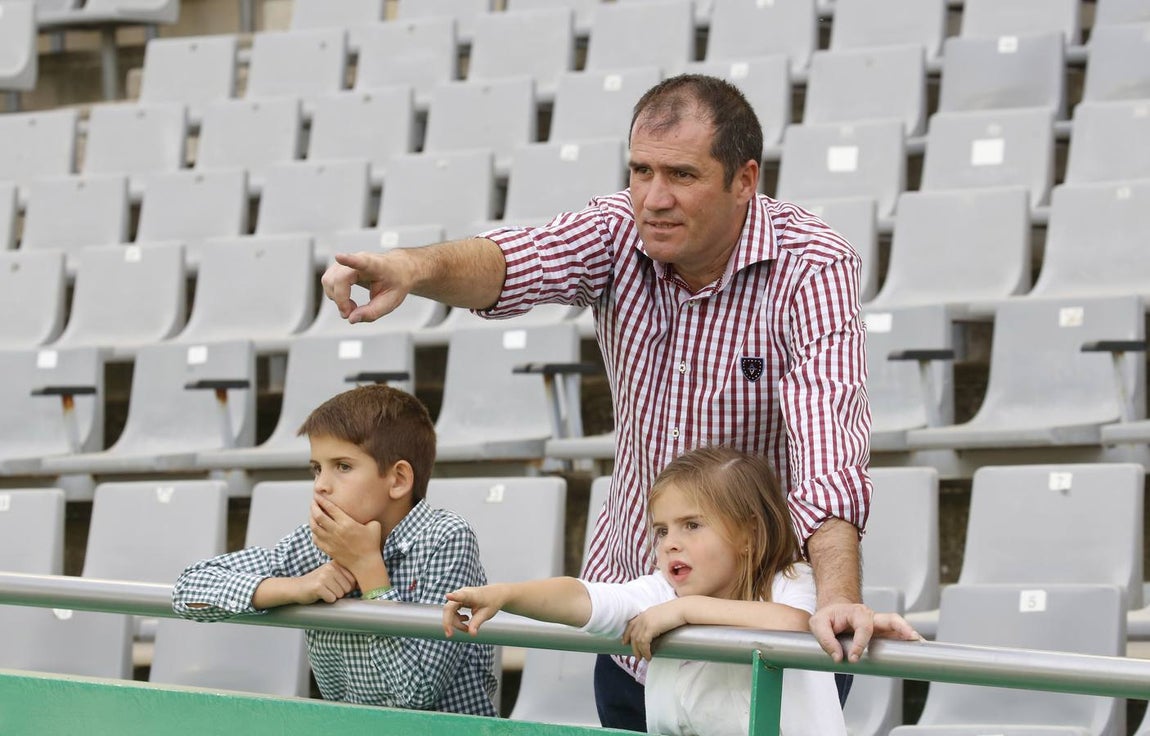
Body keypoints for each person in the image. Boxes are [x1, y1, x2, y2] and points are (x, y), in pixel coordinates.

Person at [321, 74, 919, 728]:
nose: (653, 199)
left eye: (682, 175)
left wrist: (837, 597)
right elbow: (512, 261)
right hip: (636, 625)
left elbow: (828, 448)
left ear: (745, 180)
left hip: (767, 629)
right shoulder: (614, 229)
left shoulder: (811, 264)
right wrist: (413, 268)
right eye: (641, 170)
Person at [444, 446, 881, 736]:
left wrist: (689, 610)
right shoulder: (662, 593)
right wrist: (508, 595)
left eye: (692, 525)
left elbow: (797, 626)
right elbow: (589, 599)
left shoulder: (792, 581)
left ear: (749, 534)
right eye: (661, 529)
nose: (671, 541)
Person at [172, 384, 498, 716]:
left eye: (342, 466)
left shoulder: (446, 538)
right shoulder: (316, 542)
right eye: (317, 468)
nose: (321, 485)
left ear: (398, 479)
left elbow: (415, 693)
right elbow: (188, 589)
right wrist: (296, 588)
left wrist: (369, 569)